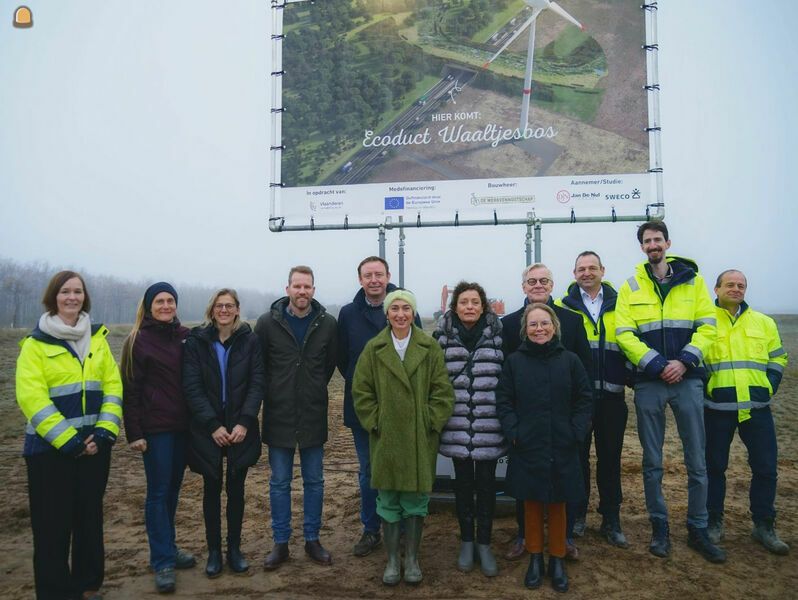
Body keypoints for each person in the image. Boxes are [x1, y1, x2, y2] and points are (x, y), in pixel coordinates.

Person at [615, 221, 724, 563]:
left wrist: (684, 362)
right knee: (652, 461)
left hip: (687, 380)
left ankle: (698, 528)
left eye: (657, 239)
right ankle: (659, 526)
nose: (653, 245)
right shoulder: (630, 286)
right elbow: (624, 332)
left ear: (667, 242)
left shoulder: (695, 282)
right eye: (647, 241)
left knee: (696, 460)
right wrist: (659, 364)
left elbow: (708, 325)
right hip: (649, 383)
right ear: (642, 247)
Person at [15, 271, 123, 600]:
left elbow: (113, 388)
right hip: (50, 453)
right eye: (65, 292)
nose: (72, 297)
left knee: (89, 519)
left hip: (95, 448)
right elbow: (32, 398)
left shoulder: (98, 340)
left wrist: (105, 433)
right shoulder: (35, 344)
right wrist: (69, 442)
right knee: (52, 527)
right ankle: (55, 592)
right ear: (54, 297)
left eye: (78, 291)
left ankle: (88, 585)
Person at [352, 289, 455, 586]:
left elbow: (443, 392)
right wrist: (376, 422)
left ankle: (412, 559)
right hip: (385, 438)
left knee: (415, 499)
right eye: (394, 308)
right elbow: (361, 392)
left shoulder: (428, 346)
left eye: (405, 309)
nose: (400, 314)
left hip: (418, 438)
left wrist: (429, 422)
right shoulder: (373, 348)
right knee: (387, 499)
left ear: (413, 313)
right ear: (386, 314)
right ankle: (392, 560)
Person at [496, 303, 593, 593]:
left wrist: (576, 432)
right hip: (528, 445)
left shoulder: (571, 360)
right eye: (533, 324)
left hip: (563, 444)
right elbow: (504, 400)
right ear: (525, 329)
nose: (540, 329)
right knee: (532, 503)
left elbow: (584, 399)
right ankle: (535, 558)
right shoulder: (514, 361)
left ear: (554, 326)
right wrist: (514, 432)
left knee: (560, 503)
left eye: (545, 323)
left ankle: (558, 560)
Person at [336, 256, 421, 557]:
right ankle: (371, 530)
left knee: (401, 466)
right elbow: (343, 358)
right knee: (369, 471)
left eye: (379, 275)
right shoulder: (347, 314)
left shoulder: (405, 305)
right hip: (363, 410)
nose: (374, 280)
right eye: (368, 275)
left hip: (403, 409)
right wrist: (368, 390)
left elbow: (419, 353)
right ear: (360, 280)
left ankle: (399, 527)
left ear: (388, 277)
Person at [254, 266, 338, 568]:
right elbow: (258, 366)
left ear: (314, 290)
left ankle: (312, 540)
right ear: (287, 288)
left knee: (314, 481)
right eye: (297, 286)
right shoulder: (266, 324)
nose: (302, 292)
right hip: (279, 415)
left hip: (314, 414)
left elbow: (328, 366)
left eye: (307, 287)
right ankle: (281, 544)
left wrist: (311, 389)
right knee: (279, 482)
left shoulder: (328, 324)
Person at [704, 270, 789, 554]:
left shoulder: (764, 322)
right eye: (730, 284)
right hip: (717, 409)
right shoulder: (704, 321)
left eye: (741, 285)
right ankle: (713, 522)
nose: (736, 289)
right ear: (716, 289)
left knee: (766, 468)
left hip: (757, 409)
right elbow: (696, 359)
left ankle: (763, 524)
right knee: (714, 468)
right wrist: (708, 387)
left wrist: (770, 385)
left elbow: (778, 357)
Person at [183, 289, 266, 577]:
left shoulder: (250, 340)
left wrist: (244, 422)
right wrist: (212, 426)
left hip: (241, 428)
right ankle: (214, 551)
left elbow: (257, 383)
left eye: (229, 305)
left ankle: (234, 549)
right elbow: (191, 387)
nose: (224, 310)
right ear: (212, 309)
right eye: (219, 305)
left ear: (237, 309)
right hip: (208, 428)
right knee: (211, 487)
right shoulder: (196, 341)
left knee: (236, 488)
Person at [121, 282, 195, 593]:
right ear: (149, 306)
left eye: (170, 301)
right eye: (160, 301)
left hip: (183, 428)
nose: (166, 306)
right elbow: (131, 390)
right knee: (157, 493)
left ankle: (169, 546)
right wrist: (134, 432)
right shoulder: (137, 340)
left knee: (173, 491)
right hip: (155, 430)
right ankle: (162, 560)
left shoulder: (185, 337)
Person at [556, 251, 631, 548]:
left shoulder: (621, 304)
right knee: (577, 460)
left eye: (592, 268)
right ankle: (577, 514)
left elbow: (630, 342)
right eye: (581, 269)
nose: (587, 273)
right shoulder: (563, 308)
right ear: (574, 274)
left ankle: (611, 518)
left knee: (610, 460)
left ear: (602, 270)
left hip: (613, 396)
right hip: (577, 400)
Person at [433, 281, 506, 576]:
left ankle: (484, 543)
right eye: (464, 302)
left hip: (490, 424)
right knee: (462, 485)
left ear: (483, 305)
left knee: (487, 486)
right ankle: (466, 540)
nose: (470, 307)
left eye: (475, 302)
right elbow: (435, 379)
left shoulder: (500, 336)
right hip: (457, 423)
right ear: (455, 306)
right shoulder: (442, 338)